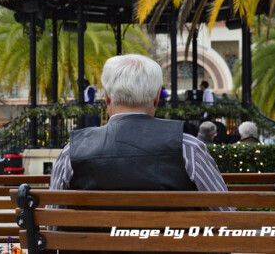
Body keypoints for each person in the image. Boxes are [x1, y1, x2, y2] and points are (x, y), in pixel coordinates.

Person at [50, 54, 231, 211]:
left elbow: (52, 222)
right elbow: (225, 211)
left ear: (106, 97)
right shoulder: (189, 148)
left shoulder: (72, 151)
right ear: (157, 98)